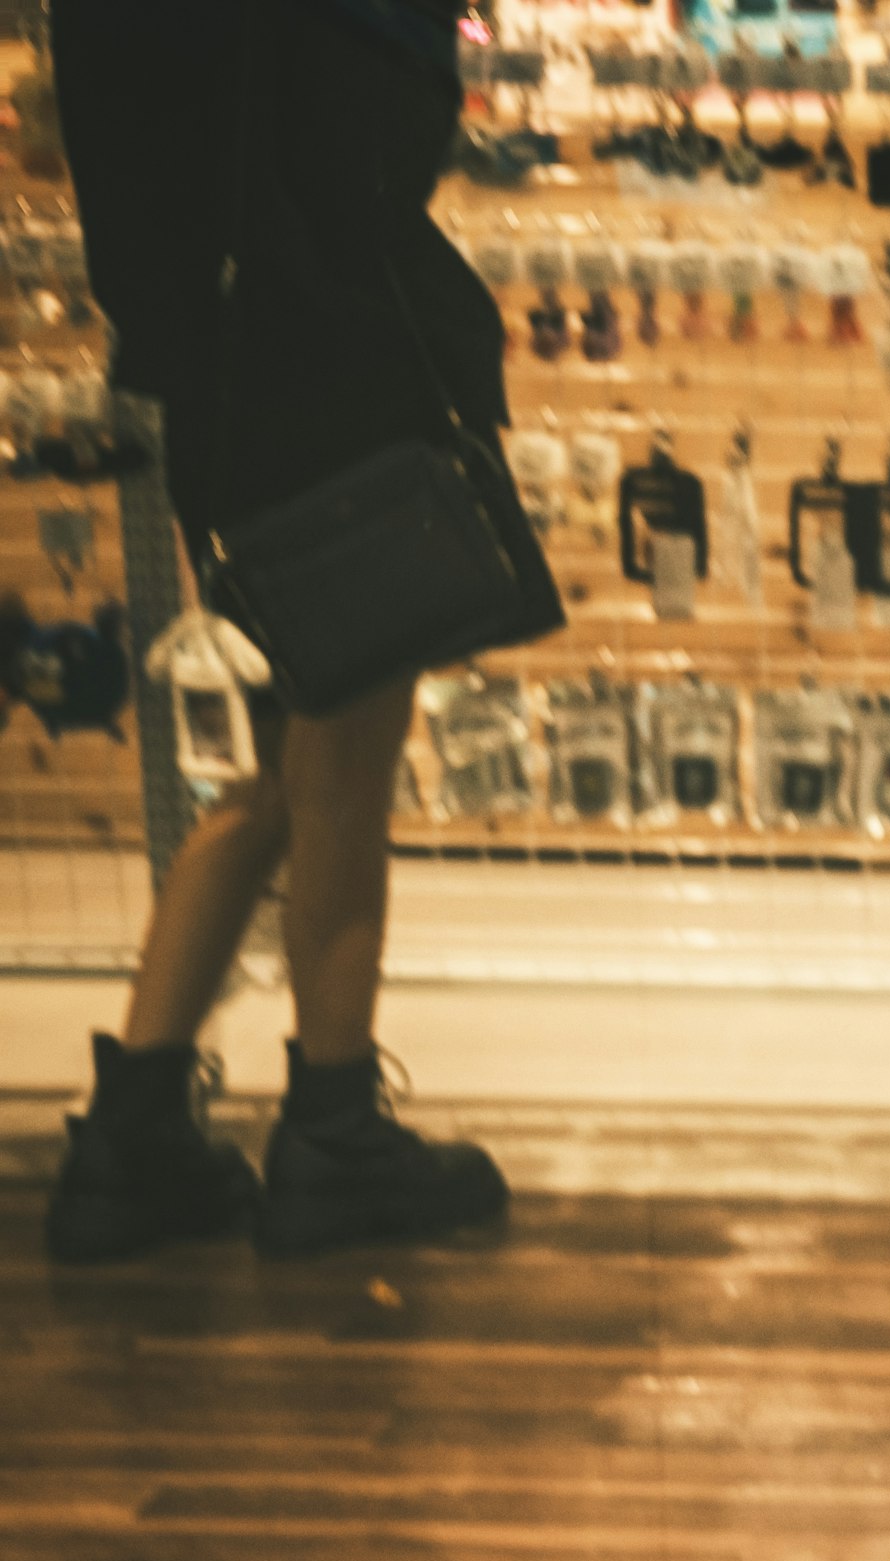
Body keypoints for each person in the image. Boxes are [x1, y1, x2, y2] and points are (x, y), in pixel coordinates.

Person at [42, 0, 509, 1265]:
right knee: (344, 776)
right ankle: (334, 1134)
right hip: (332, 378)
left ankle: (131, 1138)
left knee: (272, 779)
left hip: (214, 383)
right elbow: (374, 166)